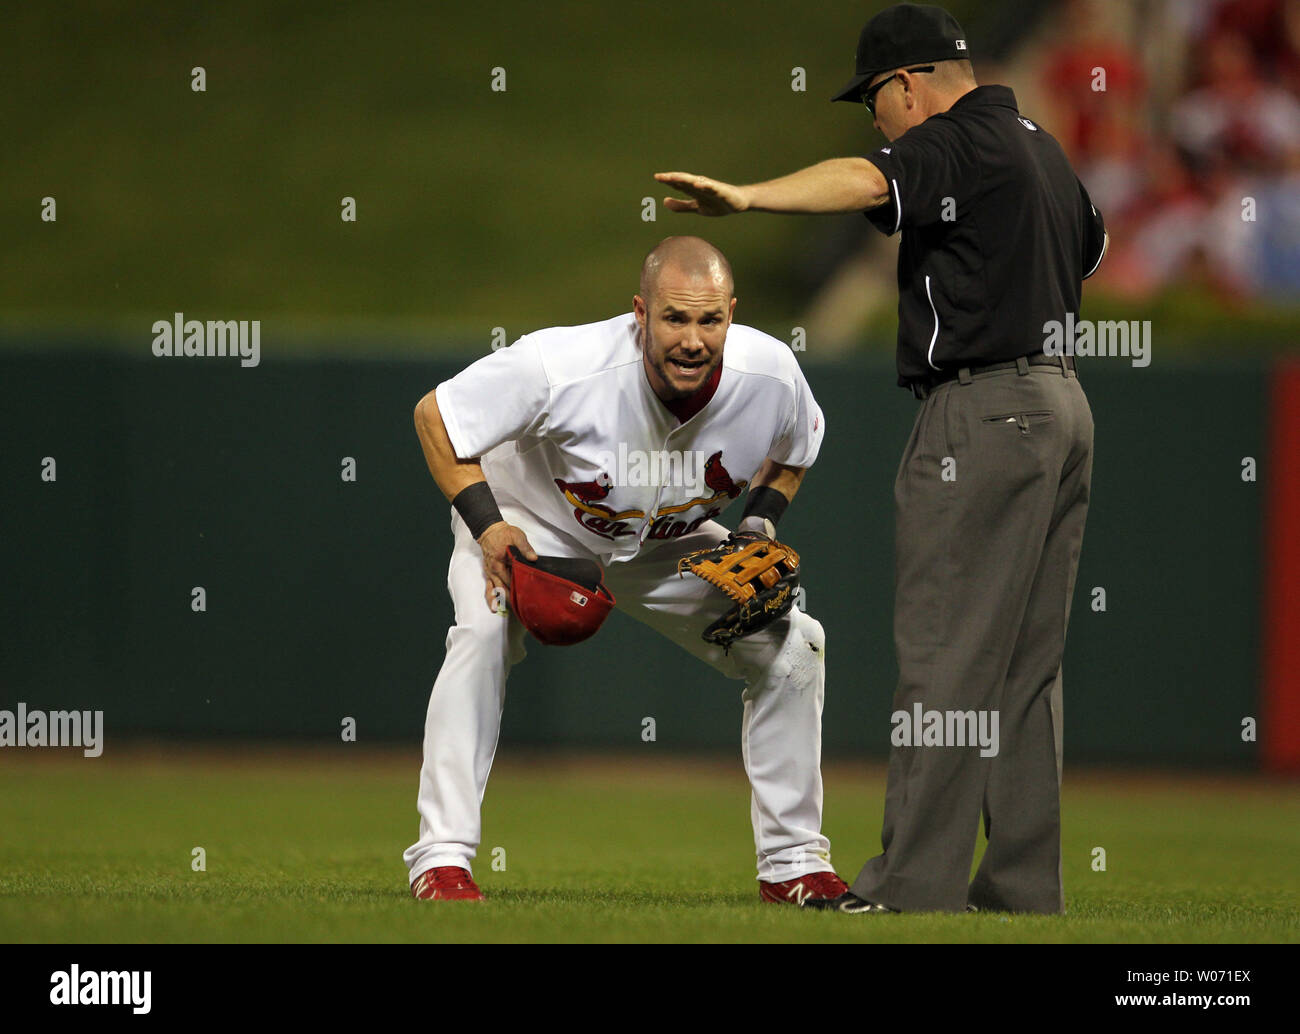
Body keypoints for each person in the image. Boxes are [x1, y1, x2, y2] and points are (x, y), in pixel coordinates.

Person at [655, 3, 1107, 914]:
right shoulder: (1042, 149)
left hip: (983, 411)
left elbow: (865, 179)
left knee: (946, 656)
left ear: (909, 84)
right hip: (1063, 404)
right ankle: (1022, 888)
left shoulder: (959, 137)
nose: (874, 115)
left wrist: (749, 198)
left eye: (874, 94)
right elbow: (1089, 246)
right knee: (1026, 667)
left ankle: (913, 887)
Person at [404, 235, 849, 905]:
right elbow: (436, 417)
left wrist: (757, 525)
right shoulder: (562, 365)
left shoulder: (772, 374)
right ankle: (441, 861)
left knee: (795, 647)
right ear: (640, 313)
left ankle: (793, 866)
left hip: (666, 538)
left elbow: (797, 449)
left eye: (710, 319)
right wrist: (490, 528)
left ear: (732, 312)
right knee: (482, 635)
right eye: (675, 317)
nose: (693, 338)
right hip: (533, 522)